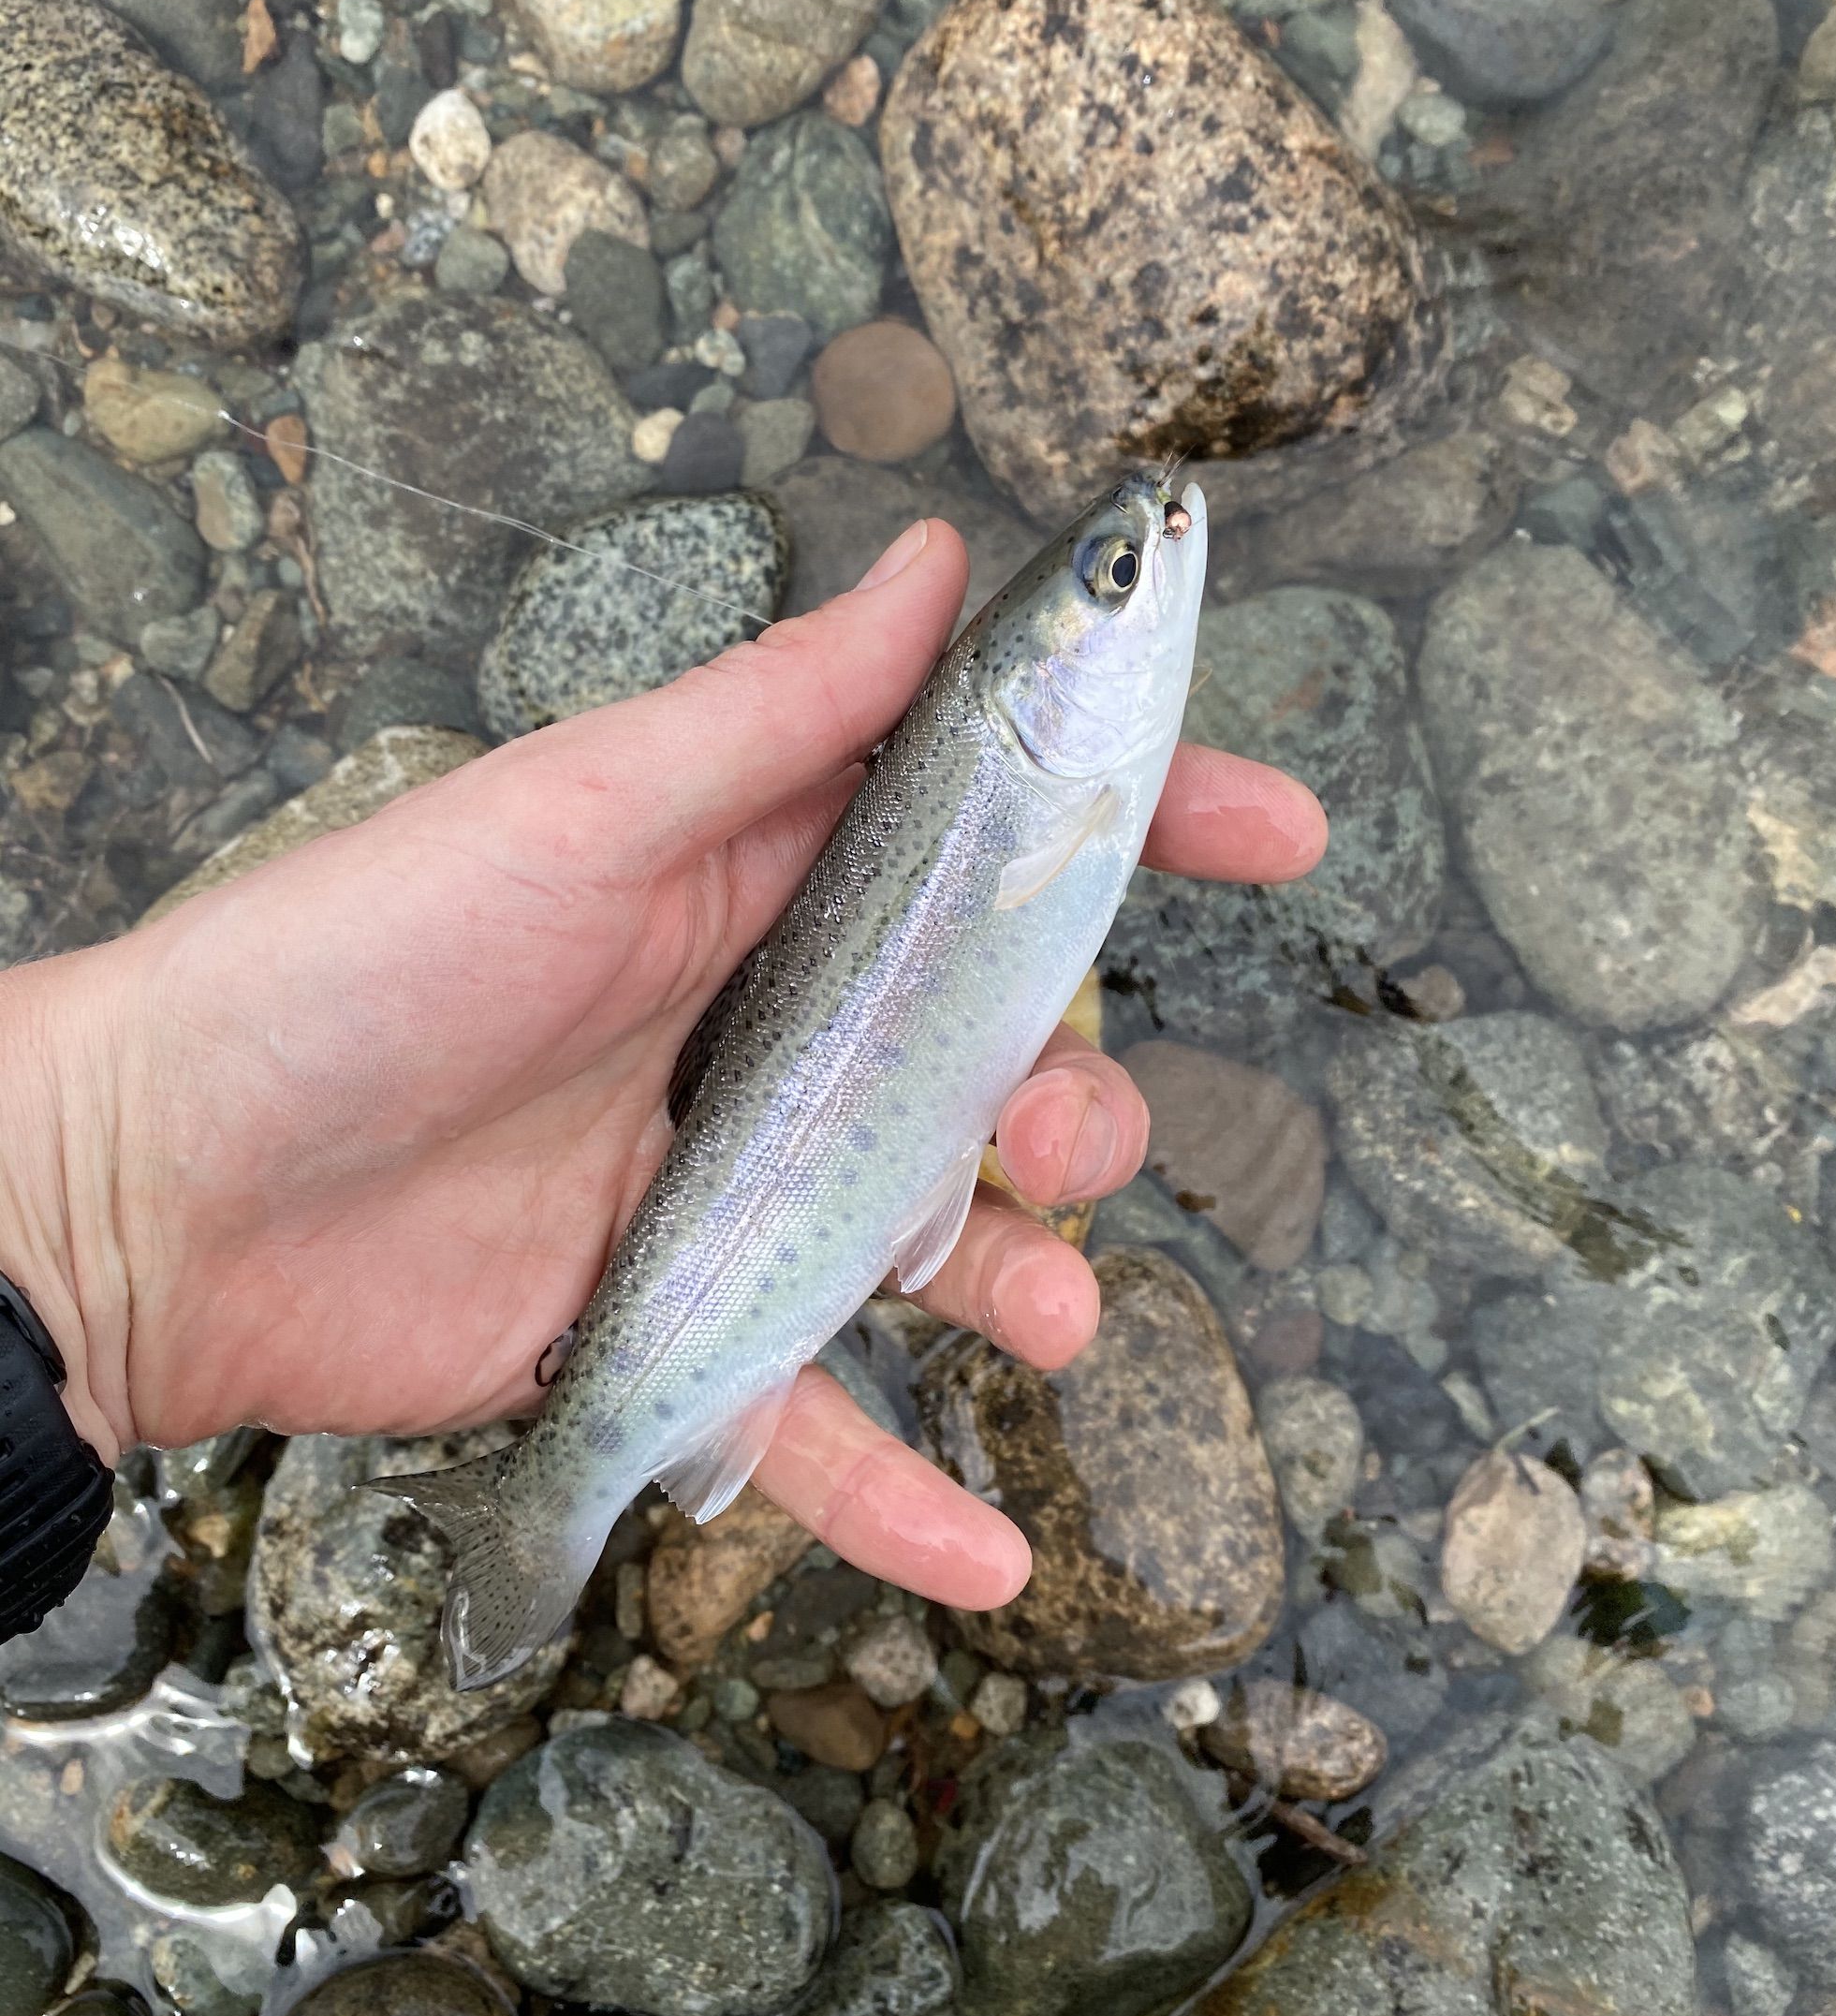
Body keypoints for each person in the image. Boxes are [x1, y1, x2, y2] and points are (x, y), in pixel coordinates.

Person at [0, 517, 1326, 1617]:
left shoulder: (1061, 760)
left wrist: (96, 1216)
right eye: (1118, 576)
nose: (1159, 542)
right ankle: (561, 1491)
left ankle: (564, 1486)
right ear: (1033, 684)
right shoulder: (1038, 763)